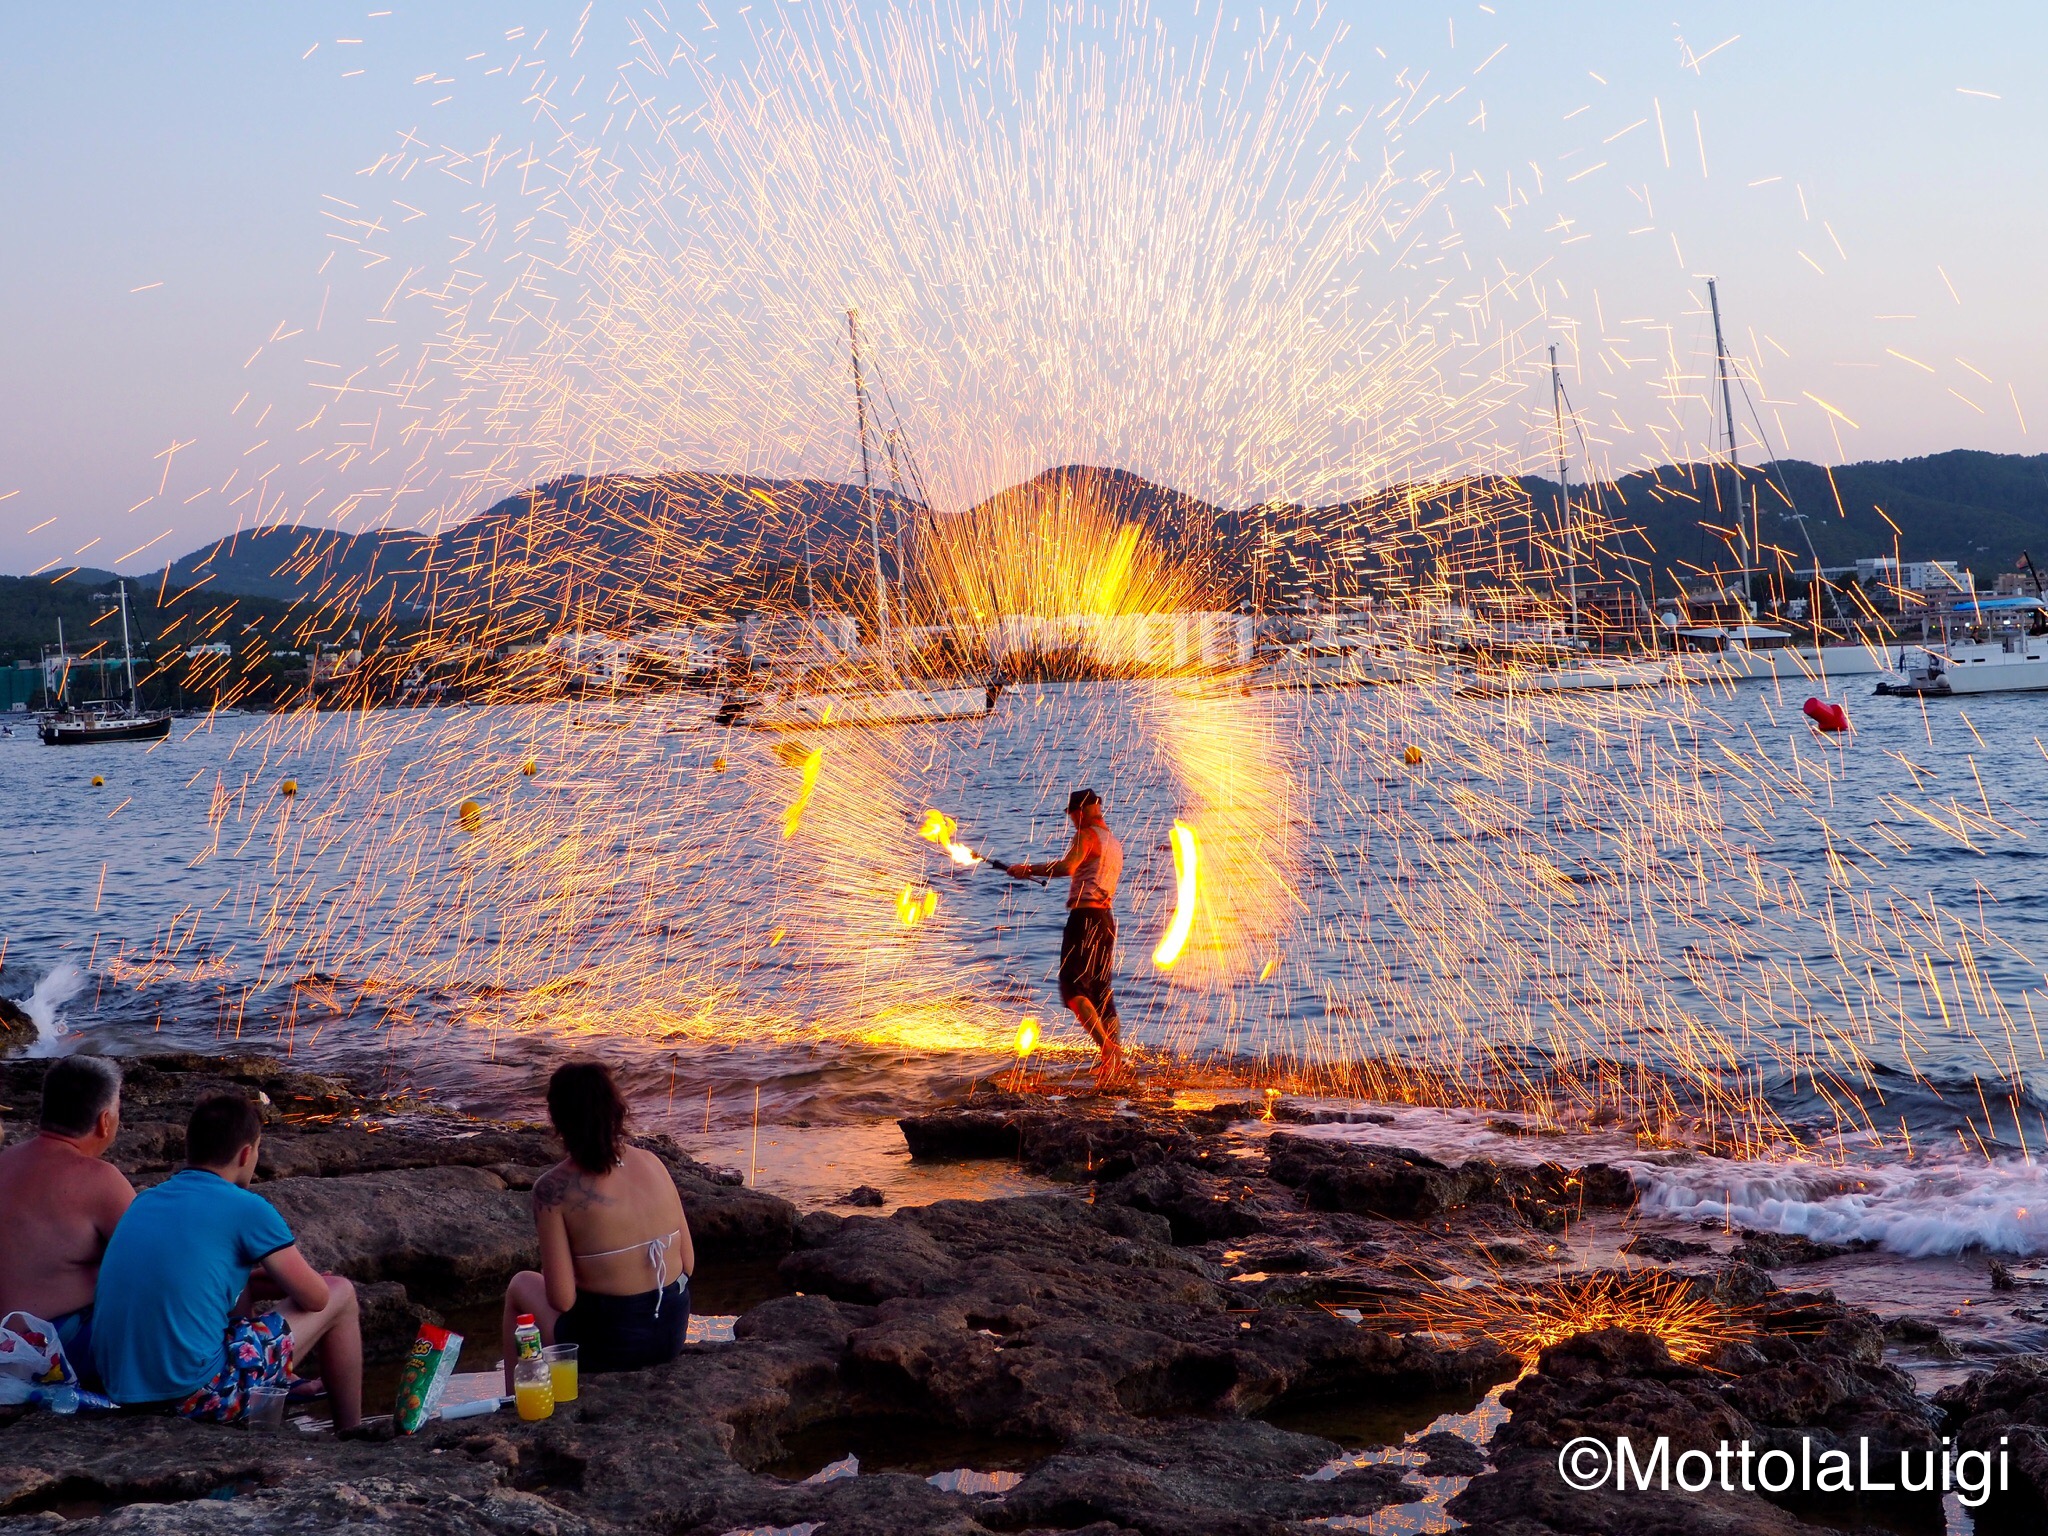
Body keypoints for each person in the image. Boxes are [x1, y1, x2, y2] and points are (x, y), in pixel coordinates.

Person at [92, 1092, 362, 1429]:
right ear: (246, 1153)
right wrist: (309, 1280)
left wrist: (260, 1278)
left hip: (117, 1388)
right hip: (195, 1395)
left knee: (240, 1280)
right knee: (342, 1293)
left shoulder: (146, 1200)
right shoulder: (246, 1208)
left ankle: (274, 1380)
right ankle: (350, 1430)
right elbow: (317, 1298)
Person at [501, 1061, 695, 1391]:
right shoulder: (653, 1163)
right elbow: (688, 1264)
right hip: (670, 1334)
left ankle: (513, 1398)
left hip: (611, 1347)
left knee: (520, 1285)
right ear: (616, 1109)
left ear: (557, 1120)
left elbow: (562, 1300)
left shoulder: (552, 1190)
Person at [0, 1057, 135, 1379]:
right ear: (105, 1121)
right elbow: (155, 1265)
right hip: (52, 1348)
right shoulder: (100, 1180)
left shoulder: (5, 1161)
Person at [1008, 787, 1127, 1082]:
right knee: (1100, 989)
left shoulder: (1086, 835)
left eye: (1073, 816)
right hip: (1105, 920)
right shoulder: (1113, 841)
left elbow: (1067, 866)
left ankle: (1108, 1050)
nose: (1072, 822)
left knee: (1072, 988)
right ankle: (1114, 1060)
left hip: (1084, 918)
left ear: (1081, 812)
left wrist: (1027, 869)